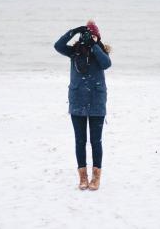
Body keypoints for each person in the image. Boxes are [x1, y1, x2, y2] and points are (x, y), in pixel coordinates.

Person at [54, 20, 112, 190]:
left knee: (96, 141)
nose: (88, 37)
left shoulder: (101, 52)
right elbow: (58, 45)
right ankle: (83, 177)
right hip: (78, 101)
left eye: (92, 34)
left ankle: (96, 177)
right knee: (80, 141)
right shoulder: (74, 52)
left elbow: (106, 64)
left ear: (98, 36)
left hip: (96, 102)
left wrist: (94, 45)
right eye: (86, 34)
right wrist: (74, 31)